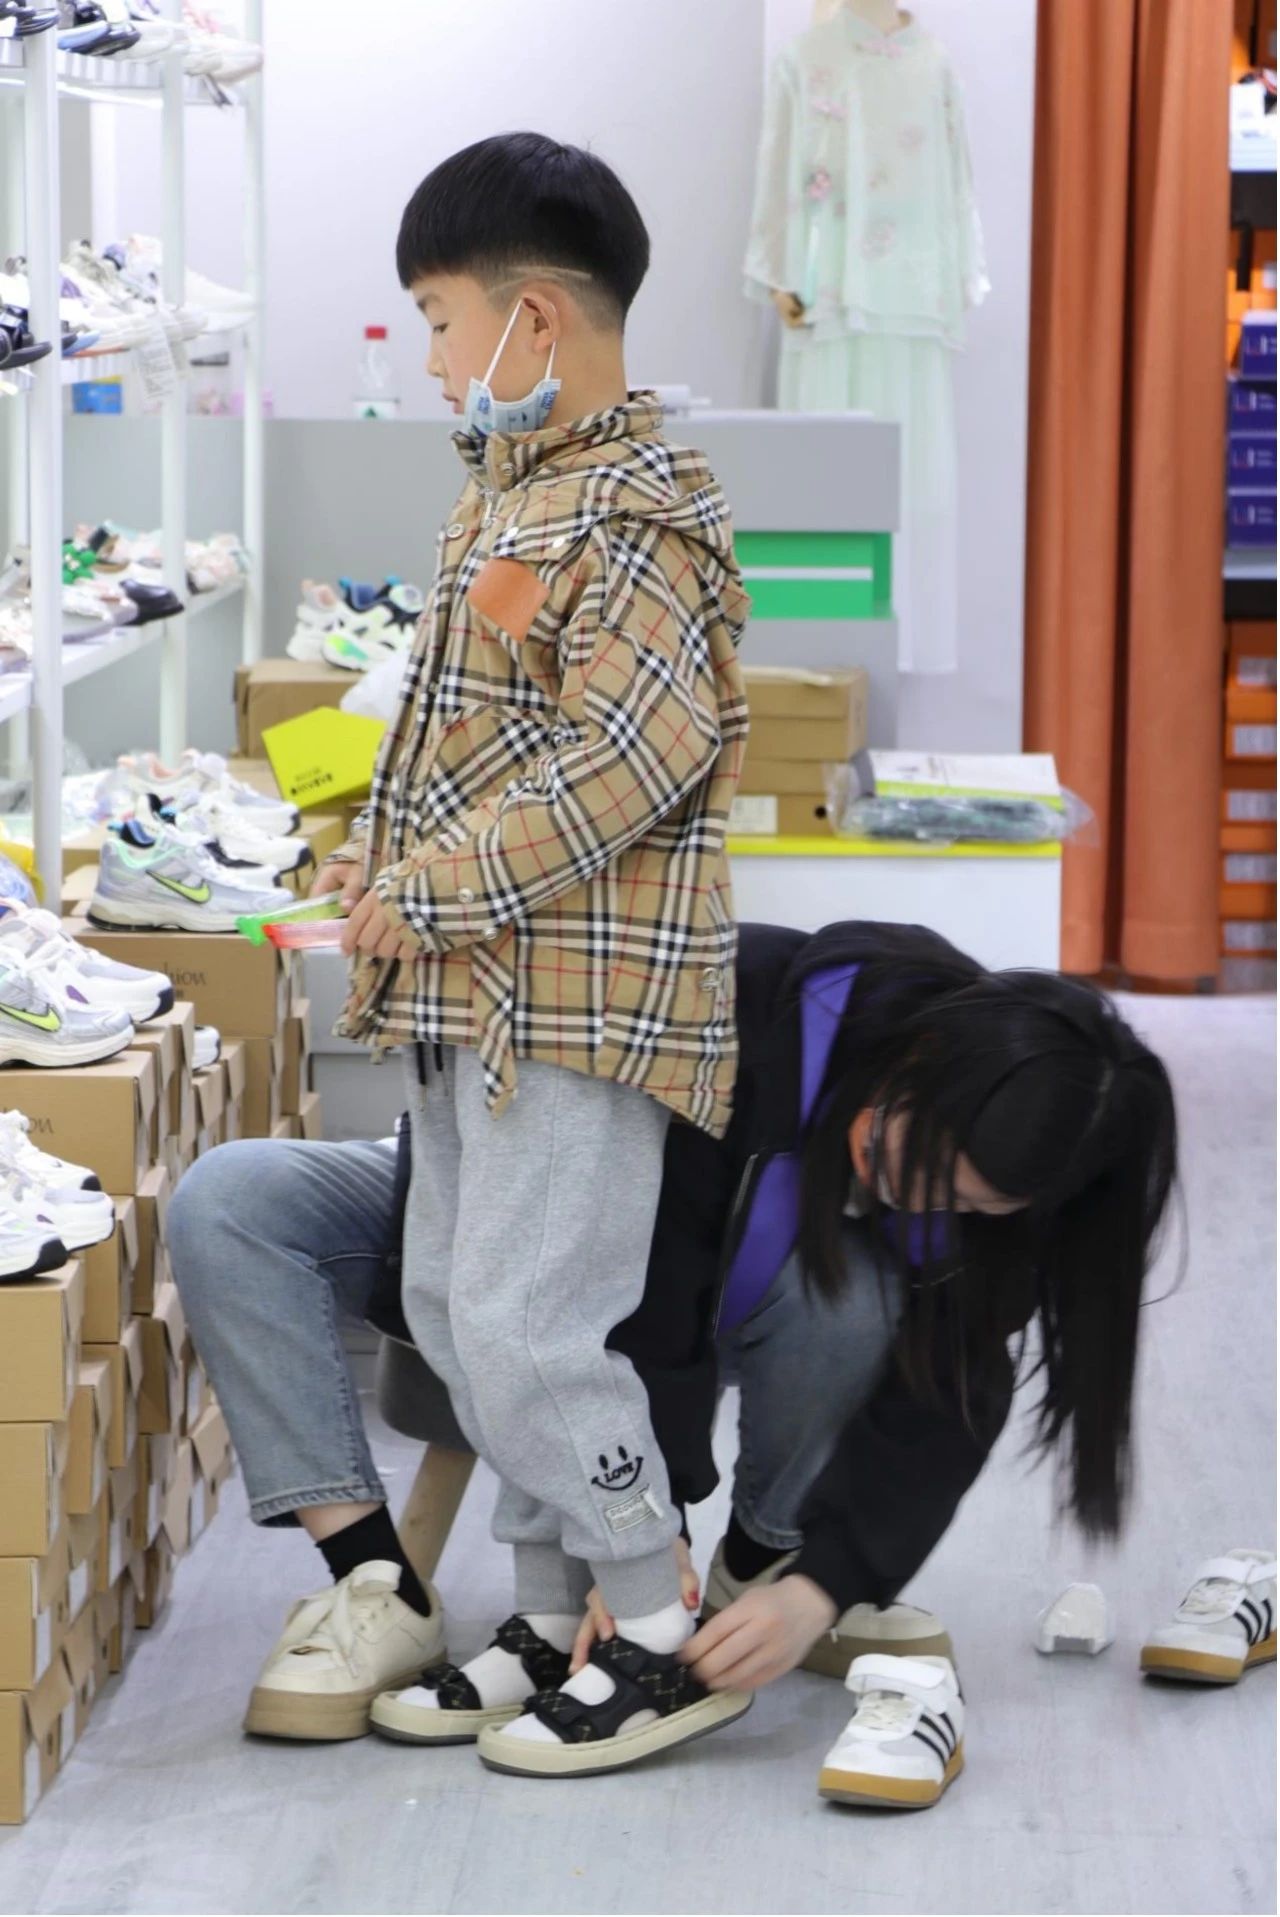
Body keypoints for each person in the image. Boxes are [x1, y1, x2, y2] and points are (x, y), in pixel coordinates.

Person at [182, 130, 753, 1781]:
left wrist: (428, 885)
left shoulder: (636, 517)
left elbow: (629, 759)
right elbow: (470, 745)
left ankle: (657, 1625)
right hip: (474, 1001)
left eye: (441, 318)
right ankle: (547, 1613)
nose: (431, 356)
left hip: (578, 1006)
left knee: (524, 1323)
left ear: (537, 319)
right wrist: (381, 854)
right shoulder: (508, 497)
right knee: (449, 1304)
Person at [172, 917, 1187, 1808]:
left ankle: (759, 1563)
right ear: (919, 1057)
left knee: (859, 1298)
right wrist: (645, 1534)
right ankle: (375, 1586)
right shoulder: (745, 1001)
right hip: (540, 1213)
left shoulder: (1008, 1163)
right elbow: (634, 1277)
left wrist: (822, 1584)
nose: (921, 1199)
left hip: (719, 1301)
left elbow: (954, 1386)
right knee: (233, 1202)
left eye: (965, 1203)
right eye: (906, 1154)